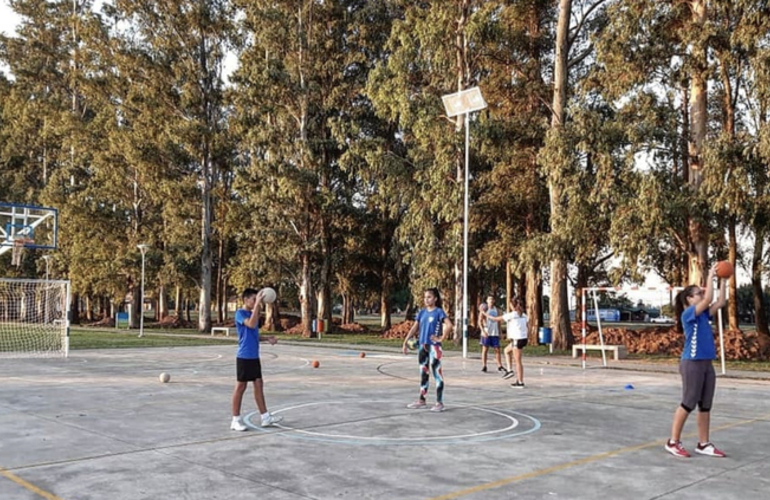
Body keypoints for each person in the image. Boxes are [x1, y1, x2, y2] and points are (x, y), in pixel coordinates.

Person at [665, 264, 727, 458]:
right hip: (692, 363)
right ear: (689, 299)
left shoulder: (704, 315)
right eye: (698, 293)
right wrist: (710, 275)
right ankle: (673, 441)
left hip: (707, 364)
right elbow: (708, 299)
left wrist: (724, 280)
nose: (702, 295)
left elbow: (721, 301)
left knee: (705, 404)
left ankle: (704, 443)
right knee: (688, 402)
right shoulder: (688, 314)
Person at [230, 287, 283, 431]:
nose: (256, 302)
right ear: (245, 300)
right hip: (244, 356)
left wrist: (267, 338)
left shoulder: (252, 314)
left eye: (256, 299)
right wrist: (258, 304)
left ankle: (265, 417)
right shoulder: (240, 313)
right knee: (241, 387)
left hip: (254, 356)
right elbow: (251, 324)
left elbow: (253, 334)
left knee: (258, 384)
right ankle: (235, 420)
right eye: (253, 299)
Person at [402, 287, 454, 412]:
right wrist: (405, 341)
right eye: (425, 297)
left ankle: (439, 402)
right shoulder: (422, 312)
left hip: (434, 347)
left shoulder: (439, 312)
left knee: (437, 373)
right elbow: (415, 327)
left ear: (435, 299)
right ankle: (422, 400)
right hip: (422, 346)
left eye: (429, 297)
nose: (426, 299)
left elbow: (449, 325)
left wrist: (441, 338)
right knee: (423, 373)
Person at [480, 295, 505, 373]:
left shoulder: (497, 310)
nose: (491, 300)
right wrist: (483, 331)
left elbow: (498, 322)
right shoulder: (484, 309)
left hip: (495, 332)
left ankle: (499, 365)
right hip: (487, 332)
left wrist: (500, 332)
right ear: (487, 301)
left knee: (497, 349)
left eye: (492, 299)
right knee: (485, 349)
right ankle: (484, 365)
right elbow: (479, 321)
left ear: (494, 301)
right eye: (489, 299)